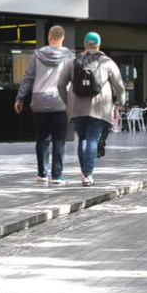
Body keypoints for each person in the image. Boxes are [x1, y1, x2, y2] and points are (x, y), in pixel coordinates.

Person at [62, 32, 125, 186]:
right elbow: (119, 86)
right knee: (92, 139)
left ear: (84, 44)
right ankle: (88, 174)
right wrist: (120, 103)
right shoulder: (107, 62)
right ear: (99, 45)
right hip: (100, 107)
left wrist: (68, 102)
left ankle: (85, 173)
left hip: (77, 108)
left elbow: (59, 84)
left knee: (82, 139)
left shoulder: (72, 61)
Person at [15, 25, 74, 185]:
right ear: (63, 38)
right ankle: (57, 176)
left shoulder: (37, 55)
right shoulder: (70, 56)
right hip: (61, 101)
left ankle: (42, 174)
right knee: (59, 139)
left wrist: (20, 99)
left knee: (42, 138)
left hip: (39, 102)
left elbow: (28, 78)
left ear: (49, 37)